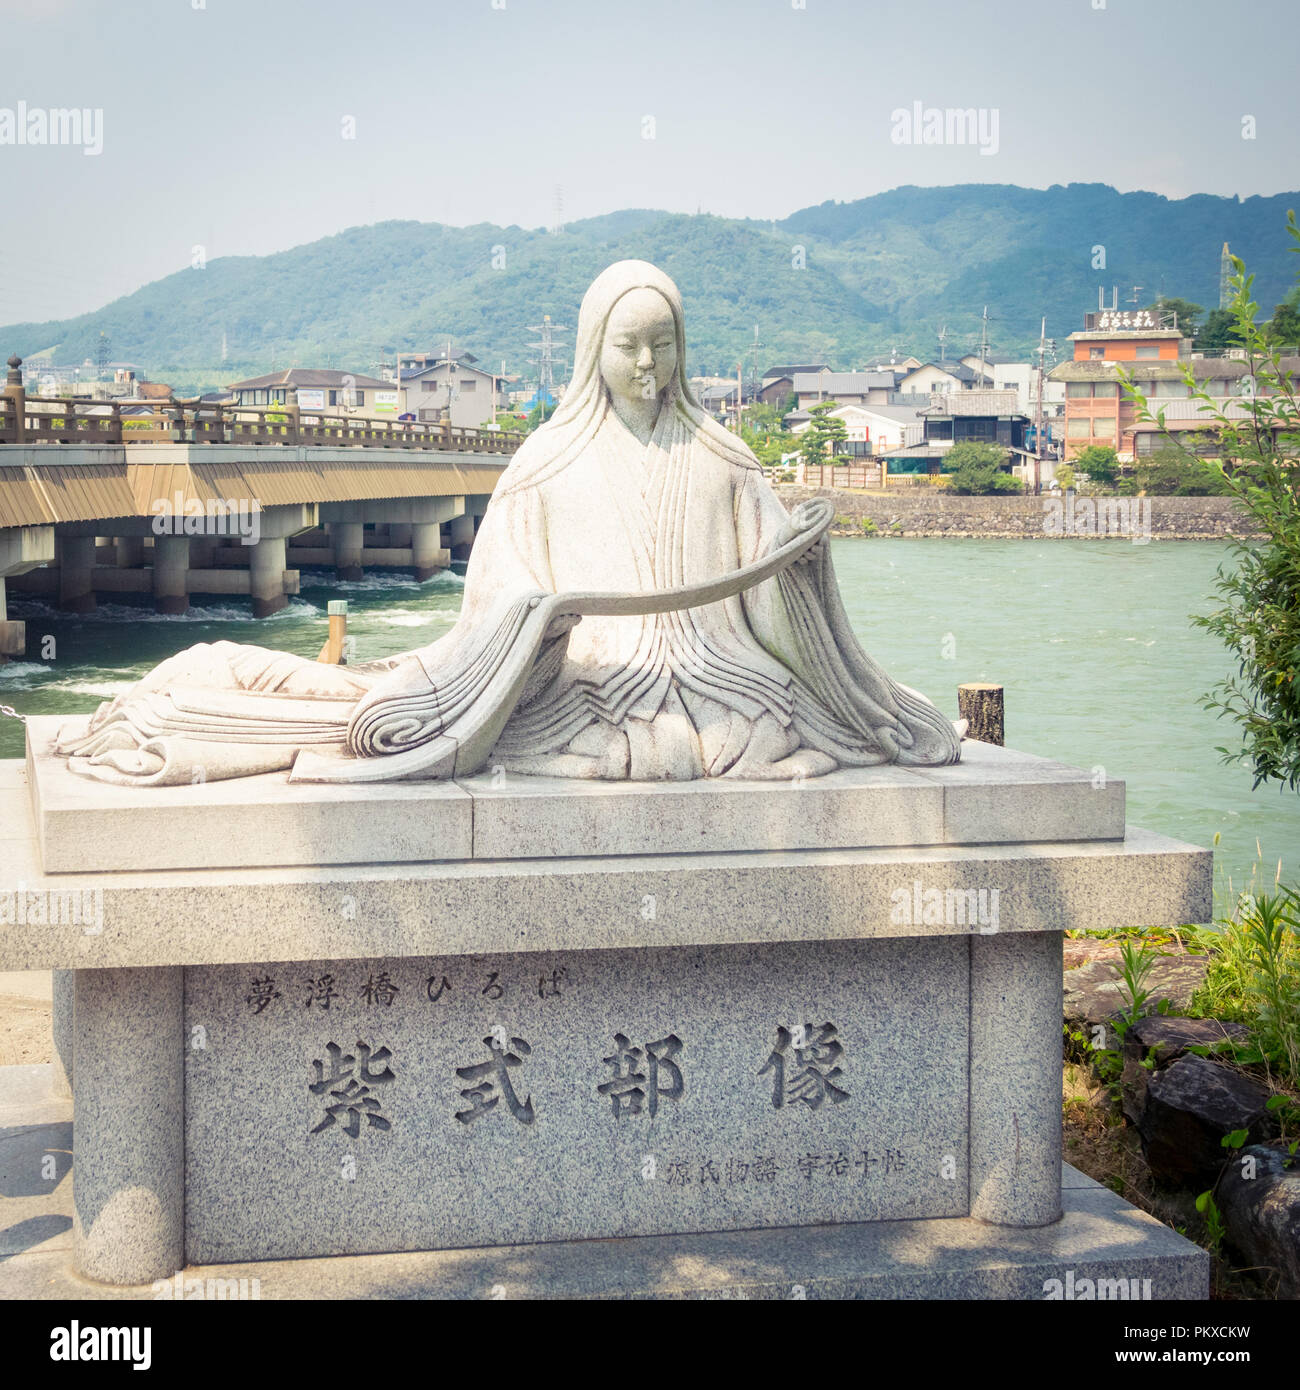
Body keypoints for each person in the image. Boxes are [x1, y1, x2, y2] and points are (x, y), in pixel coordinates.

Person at [56, 261, 959, 786]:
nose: (647, 365)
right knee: (366, 706)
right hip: (571, 683)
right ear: (593, 350)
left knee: (741, 732)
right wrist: (537, 623)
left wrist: (798, 570)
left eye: (663, 345)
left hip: (725, 685)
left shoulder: (728, 460)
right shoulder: (545, 462)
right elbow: (493, 599)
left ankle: (210, 697)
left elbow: (773, 617)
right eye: (628, 346)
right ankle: (206, 687)